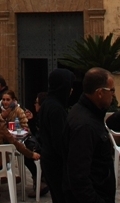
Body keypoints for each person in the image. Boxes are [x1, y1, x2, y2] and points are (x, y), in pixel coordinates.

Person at [63, 67, 116, 203]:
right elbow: (79, 176)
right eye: (112, 90)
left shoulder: (89, 115)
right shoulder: (85, 125)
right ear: (100, 93)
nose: (113, 95)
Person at [38, 69, 74, 203]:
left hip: (48, 158)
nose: (71, 90)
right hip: (56, 162)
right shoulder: (56, 109)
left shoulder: (47, 104)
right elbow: (59, 140)